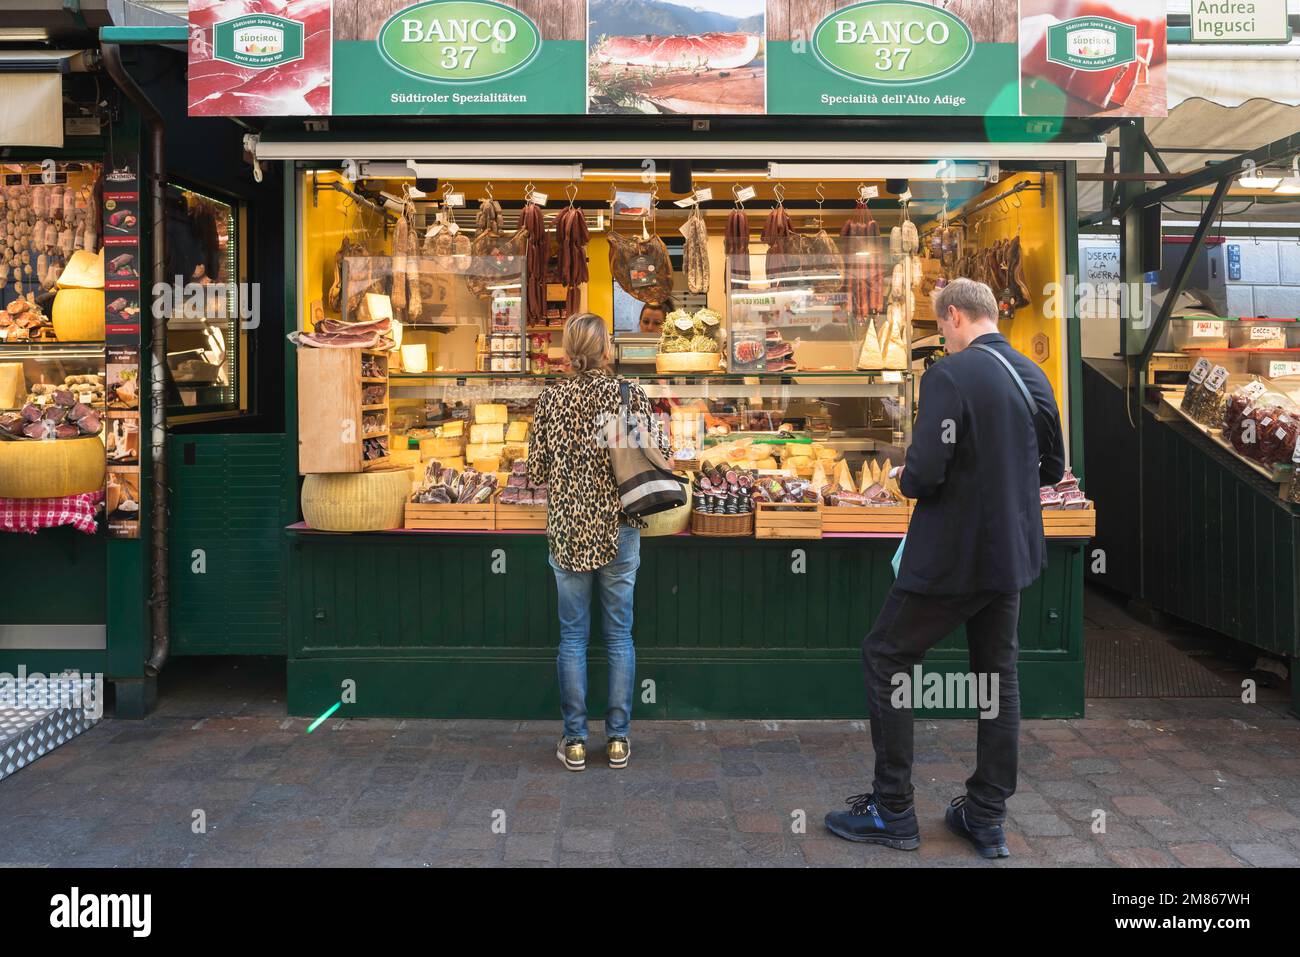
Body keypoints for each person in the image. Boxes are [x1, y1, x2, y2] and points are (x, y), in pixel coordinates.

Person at [824, 278, 1065, 858]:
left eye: (941, 327)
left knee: (885, 657)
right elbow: (1052, 468)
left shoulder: (948, 375)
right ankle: (985, 816)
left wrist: (906, 477)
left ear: (954, 316)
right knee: (996, 679)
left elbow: (924, 473)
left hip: (953, 557)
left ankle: (893, 810)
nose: (943, 338)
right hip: (1011, 555)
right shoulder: (1034, 374)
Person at [528, 312, 669, 772]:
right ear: (607, 350)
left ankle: (573, 741)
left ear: (568, 352)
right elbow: (654, 456)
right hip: (620, 526)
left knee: (572, 637)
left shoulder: (551, 400)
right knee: (619, 635)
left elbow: (536, 472)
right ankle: (617, 739)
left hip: (569, 526)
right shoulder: (627, 396)